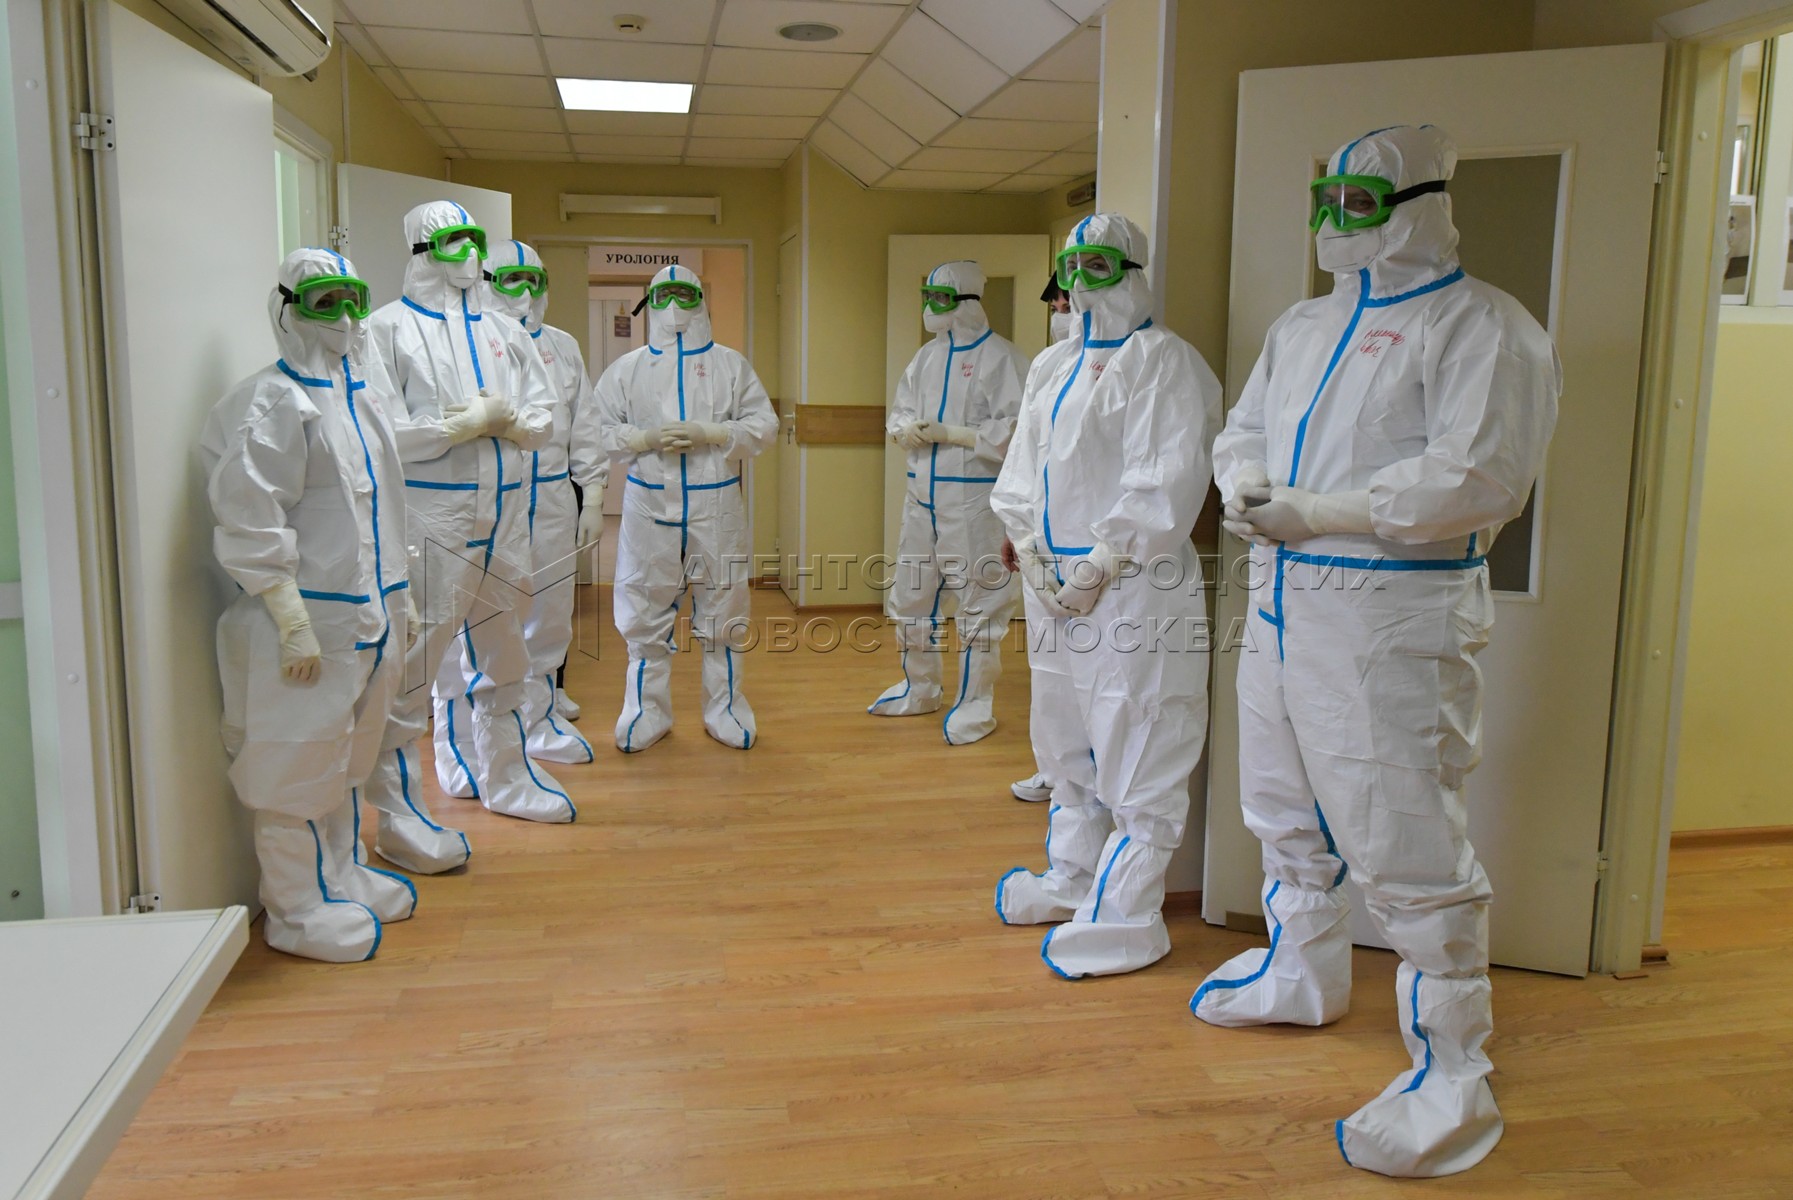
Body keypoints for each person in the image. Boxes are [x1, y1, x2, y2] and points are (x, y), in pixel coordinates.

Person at [1192, 125, 1560, 1179]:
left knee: (1402, 835)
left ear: (1421, 204)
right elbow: (1243, 427)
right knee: (1280, 804)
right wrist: (1246, 487)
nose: (1333, 220)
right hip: (1279, 602)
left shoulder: (1485, 327)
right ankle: (1302, 973)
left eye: (1358, 201)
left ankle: (1453, 1071)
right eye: (1327, 198)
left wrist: (1319, 511)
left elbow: (1475, 480)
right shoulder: (1303, 325)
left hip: (1388, 615)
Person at [991, 213, 1221, 978]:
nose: (1081, 283)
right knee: (1061, 735)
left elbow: (1165, 481)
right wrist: (1026, 543)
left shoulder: (1164, 362)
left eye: (1098, 265)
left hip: (1131, 586)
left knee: (1137, 732)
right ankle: (1073, 877)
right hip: (1051, 587)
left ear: (1131, 271)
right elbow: (1023, 468)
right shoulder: (1051, 365)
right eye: (1071, 267)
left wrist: (1098, 566)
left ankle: (1129, 916)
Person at [204, 248, 419, 962]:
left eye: (354, 298)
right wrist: (290, 617)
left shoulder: (359, 398)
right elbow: (250, 515)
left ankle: (341, 874)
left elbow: (382, 510)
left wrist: (399, 596)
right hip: (307, 623)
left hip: (367, 616)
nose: (346, 317)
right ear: (287, 308)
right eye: (326, 301)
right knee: (294, 768)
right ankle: (295, 909)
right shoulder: (271, 403)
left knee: (345, 759)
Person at [360, 200, 576, 877]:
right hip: (433, 520)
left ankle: (506, 777)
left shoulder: (502, 329)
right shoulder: (384, 330)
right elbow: (376, 434)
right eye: (453, 240)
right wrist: (454, 429)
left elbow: (546, 415)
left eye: (475, 239)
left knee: (503, 647)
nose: (470, 253)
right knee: (415, 662)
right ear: (423, 248)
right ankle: (401, 817)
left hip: (504, 516)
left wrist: (508, 421)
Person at [570, 265, 777, 752]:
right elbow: (595, 431)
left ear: (701, 300)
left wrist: (714, 432)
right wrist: (643, 438)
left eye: (685, 293)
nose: (675, 305)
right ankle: (646, 712)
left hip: (716, 503)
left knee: (724, 607)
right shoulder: (628, 369)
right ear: (650, 302)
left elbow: (764, 425)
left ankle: (726, 709)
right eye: (664, 294)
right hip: (648, 504)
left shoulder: (731, 365)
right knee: (643, 610)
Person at [871, 260, 1026, 745]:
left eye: (940, 298)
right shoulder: (926, 358)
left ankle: (974, 706)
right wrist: (906, 431)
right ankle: (920, 688)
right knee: (912, 598)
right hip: (922, 499)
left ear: (966, 302)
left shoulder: (1003, 359)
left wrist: (954, 434)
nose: (931, 307)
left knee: (981, 606)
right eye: (928, 297)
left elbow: (1019, 432)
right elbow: (900, 411)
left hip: (975, 501)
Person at [482, 239, 598, 765]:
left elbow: (585, 423)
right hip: (495, 496)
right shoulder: (472, 343)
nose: (525, 292)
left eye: (535, 280)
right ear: (487, 282)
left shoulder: (562, 346)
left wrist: (593, 494)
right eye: (512, 279)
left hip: (552, 494)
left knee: (551, 609)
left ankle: (542, 709)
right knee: (493, 611)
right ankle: (496, 719)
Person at [1010, 270, 1080, 802]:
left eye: (1065, 306)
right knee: (1049, 671)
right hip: (1042, 546)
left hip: (1101, 553)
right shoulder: (1047, 367)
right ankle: (1055, 771)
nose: (1059, 317)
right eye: (1054, 308)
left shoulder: (1142, 362)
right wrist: (1018, 530)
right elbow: (1027, 457)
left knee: (1098, 678)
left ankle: (1092, 785)